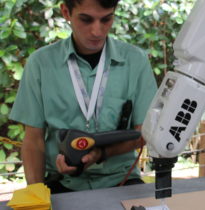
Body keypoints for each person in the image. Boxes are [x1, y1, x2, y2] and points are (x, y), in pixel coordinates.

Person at [9, 0, 157, 193]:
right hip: (60, 181)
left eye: (106, 19)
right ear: (66, 12)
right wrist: (36, 194)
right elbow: (33, 140)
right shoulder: (40, 64)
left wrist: (102, 153)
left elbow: (144, 132)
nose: (97, 31)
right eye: (86, 20)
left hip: (121, 179)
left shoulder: (135, 61)